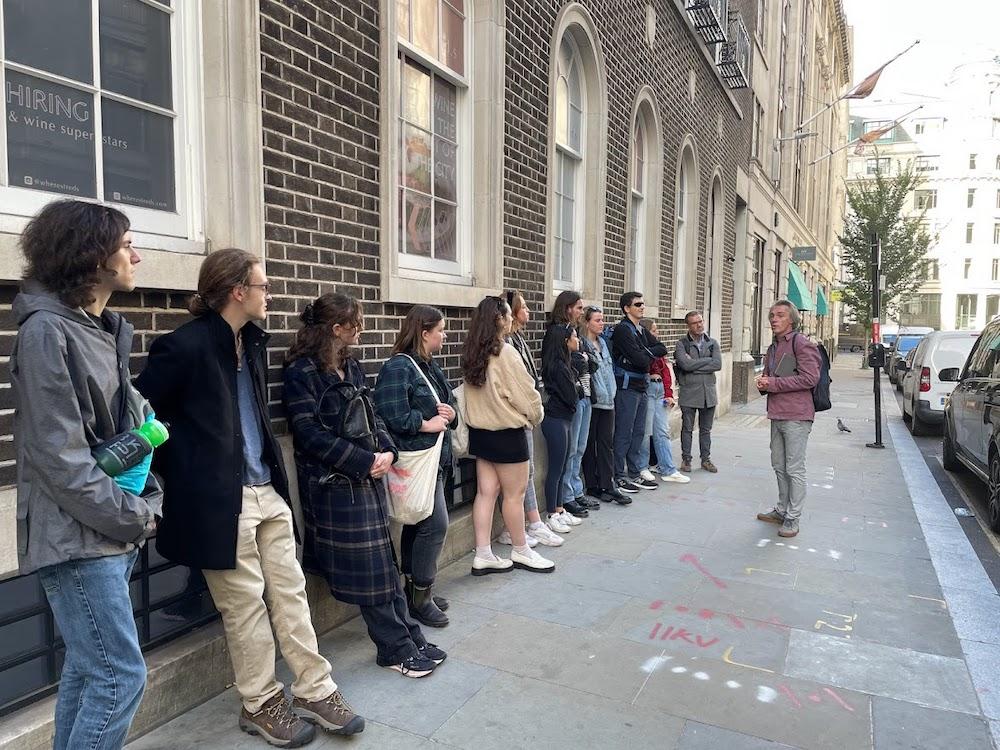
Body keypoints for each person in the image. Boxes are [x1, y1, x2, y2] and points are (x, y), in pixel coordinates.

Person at [136, 249, 363, 746]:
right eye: (263, 286)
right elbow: (143, 420)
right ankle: (260, 701)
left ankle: (314, 688)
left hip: (267, 491)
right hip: (220, 502)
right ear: (238, 291)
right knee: (245, 608)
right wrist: (188, 475)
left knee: (291, 595)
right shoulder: (183, 346)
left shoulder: (251, 343)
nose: (270, 294)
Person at [12, 200, 162, 750]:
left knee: (87, 670)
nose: (137, 257)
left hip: (105, 527)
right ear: (92, 255)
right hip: (79, 537)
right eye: (127, 246)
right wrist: (137, 516)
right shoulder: (46, 333)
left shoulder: (98, 327)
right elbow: (62, 459)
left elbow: (134, 428)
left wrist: (145, 499)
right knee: (121, 676)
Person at [286, 294, 446, 678]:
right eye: (355, 325)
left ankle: (409, 635)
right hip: (334, 484)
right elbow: (307, 433)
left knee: (386, 566)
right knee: (371, 571)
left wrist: (387, 452)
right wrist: (364, 461)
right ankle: (394, 649)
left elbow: (373, 416)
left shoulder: (350, 365)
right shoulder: (301, 372)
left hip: (369, 477)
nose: (361, 331)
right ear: (336, 329)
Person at [374, 305, 456, 628]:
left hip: (435, 459)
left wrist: (449, 416)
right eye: (441, 330)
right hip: (416, 460)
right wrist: (428, 423)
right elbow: (389, 414)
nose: (445, 335)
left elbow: (447, 405)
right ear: (424, 333)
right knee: (436, 525)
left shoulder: (427, 365)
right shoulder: (399, 367)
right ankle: (421, 596)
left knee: (419, 523)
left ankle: (415, 592)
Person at [462, 296, 553, 574]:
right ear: (499, 319)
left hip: (481, 434)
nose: (512, 318)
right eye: (507, 314)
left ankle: (483, 553)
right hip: (507, 433)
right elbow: (526, 394)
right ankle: (521, 549)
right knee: (515, 495)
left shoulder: (472, 352)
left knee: (486, 493)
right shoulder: (505, 352)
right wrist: (535, 416)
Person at [502, 290, 565, 547]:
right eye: (523, 307)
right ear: (511, 313)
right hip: (517, 415)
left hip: (527, 413)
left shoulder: (518, 337)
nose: (529, 311)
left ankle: (532, 522)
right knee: (521, 474)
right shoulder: (506, 344)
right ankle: (523, 526)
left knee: (528, 471)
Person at [755, 300, 822, 539]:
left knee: (794, 468)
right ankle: (782, 510)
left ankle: (793, 518)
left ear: (791, 319)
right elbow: (773, 377)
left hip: (797, 415)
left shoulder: (801, 344)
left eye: (780, 315)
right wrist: (764, 382)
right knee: (778, 466)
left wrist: (772, 383)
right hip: (777, 413)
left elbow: (810, 379)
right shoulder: (772, 348)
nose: (774, 319)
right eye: (772, 315)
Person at [611, 292, 667, 494]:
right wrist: (647, 354)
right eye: (638, 304)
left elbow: (662, 348)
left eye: (643, 304)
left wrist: (645, 352)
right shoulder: (623, 330)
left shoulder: (641, 330)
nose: (642, 307)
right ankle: (618, 476)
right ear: (627, 308)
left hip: (641, 386)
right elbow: (642, 361)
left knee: (638, 432)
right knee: (624, 433)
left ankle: (634, 473)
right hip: (627, 387)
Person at [540, 290, 588, 525]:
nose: (581, 311)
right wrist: (576, 387)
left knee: (564, 462)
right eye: (578, 307)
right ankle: (552, 512)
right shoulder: (558, 338)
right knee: (557, 465)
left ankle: (559, 508)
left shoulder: (567, 362)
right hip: (556, 414)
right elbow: (572, 392)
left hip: (565, 415)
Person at [581, 306, 630, 505]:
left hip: (608, 400)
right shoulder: (582, 344)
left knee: (606, 443)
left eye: (602, 320)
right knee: (589, 444)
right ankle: (593, 485)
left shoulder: (603, 342)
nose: (602, 323)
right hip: (593, 401)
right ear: (587, 322)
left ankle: (608, 485)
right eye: (597, 320)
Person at [637, 319, 690, 484]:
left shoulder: (658, 350)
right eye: (653, 330)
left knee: (662, 431)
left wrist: (669, 394)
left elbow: (666, 372)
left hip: (659, 391)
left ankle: (667, 468)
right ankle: (642, 466)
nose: (656, 333)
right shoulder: (641, 349)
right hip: (648, 389)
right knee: (645, 432)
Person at [561, 309, 601, 515]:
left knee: (581, 447)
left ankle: (577, 491)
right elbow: (575, 363)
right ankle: (567, 496)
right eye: (578, 307)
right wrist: (583, 359)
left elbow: (593, 364)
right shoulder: (561, 332)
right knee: (572, 448)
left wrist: (584, 358)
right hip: (575, 399)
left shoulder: (581, 338)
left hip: (586, 396)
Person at [674, 311, 722, 473]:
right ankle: (686, 459)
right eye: (695, 323)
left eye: (700, 321)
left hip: (708, 393)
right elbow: (685, 366)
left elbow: (717, 365)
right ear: (688, 325)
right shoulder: (682, 344)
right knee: (687, 428)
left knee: (705, 429)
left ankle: (706, 460)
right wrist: (706, 361)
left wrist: (694, 364)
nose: (699, 325)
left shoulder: (713, 343)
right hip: (689, 392)